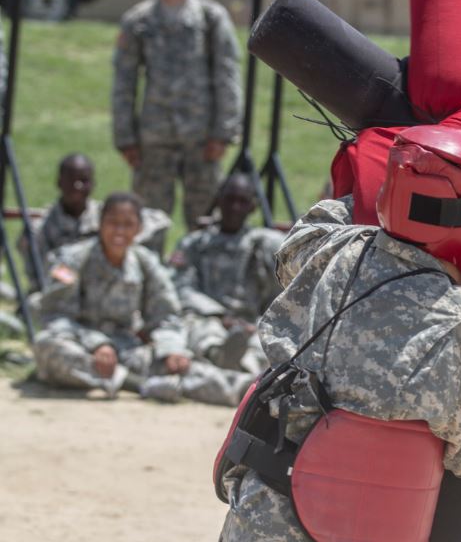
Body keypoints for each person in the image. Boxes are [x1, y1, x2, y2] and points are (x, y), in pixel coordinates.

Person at [218, 127, 461, 542]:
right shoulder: (459, 317)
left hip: (259, 517)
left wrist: (374, 187)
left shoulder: (335, 250)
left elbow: (299, 240)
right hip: (363, 526)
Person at [31, 192, 251, 406]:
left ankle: (245, 390)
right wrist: (97, 344)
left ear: (139, 229)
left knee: (181, 366)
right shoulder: (73, 259)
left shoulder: (145, 262)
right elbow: (54, 316)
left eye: (127, 224)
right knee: (46, 346)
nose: (119, 231)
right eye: (112, 223)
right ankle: (139, 386)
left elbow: (167, 316)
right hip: (84, 349)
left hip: (128, 349)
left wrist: (171, 349)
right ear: (99, 223)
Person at [112, 0, 242, 230]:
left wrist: (224, 132)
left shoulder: (210, 18)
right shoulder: (139, 21)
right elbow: (124, 81)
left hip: (202, 139)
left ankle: (200, 277)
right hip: (154, 140)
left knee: (206, 224)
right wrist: (125, 138)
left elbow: (227, 76)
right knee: (147, 224)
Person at [169, 173, 284, 373]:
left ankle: (245, 366)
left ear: (252, 207)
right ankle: (219, 356)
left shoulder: (262, 245)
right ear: (218, 200)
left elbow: (280, 294)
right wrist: (221, 316)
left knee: (270, 337)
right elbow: (181, 288)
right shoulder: (195, 244)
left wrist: (255, 324)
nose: (234, 208)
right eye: (229, 200)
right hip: (208, 317)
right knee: (201, 329)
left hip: (249, 324)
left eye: (242, 202)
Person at [17, 153, 171, 290]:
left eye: (84, 180)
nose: (77, 186)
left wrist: (122, 238)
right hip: (61, 294)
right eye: (71, 180)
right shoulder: (39, 230)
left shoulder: (107, 216)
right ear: (59, 182)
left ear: (93, 184)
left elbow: (159, 220)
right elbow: (37, 277)